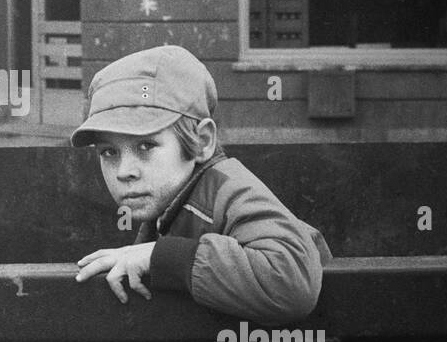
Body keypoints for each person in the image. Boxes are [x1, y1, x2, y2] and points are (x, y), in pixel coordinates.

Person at [72, 45, 331, 324]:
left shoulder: (228, 193)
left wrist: (159, 256)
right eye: (108, 152)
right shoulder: (169, 201)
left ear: (203, 141)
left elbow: (292, 284)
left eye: (146, 145)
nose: (125, 172)